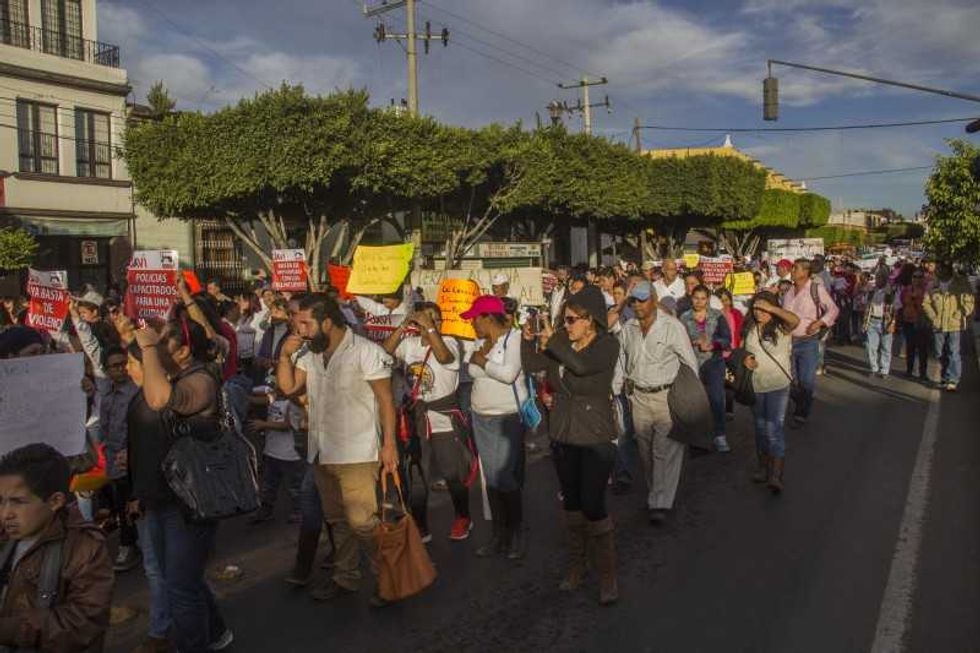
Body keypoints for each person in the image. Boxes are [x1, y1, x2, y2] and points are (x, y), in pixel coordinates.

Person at [276, 294, 399, 605]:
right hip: (322, 450)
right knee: (337, 521)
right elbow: (289, 389)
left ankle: (388, 578)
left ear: (327, 322)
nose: (299, 329)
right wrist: (283, 357)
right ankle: (346, 578)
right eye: (297, 322)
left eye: (306, 322)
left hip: (358, 451)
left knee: (363, 523)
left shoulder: (366, 352)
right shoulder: (310, 353)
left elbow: (386, 401)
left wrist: (389, 445)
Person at [130, 317, 232, 653]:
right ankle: (215, 633)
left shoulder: (201, 379)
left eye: (162, 348)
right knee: (181, 579)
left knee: (180, 586)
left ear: (185, 351)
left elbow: (160, 400)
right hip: (160, 496)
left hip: (190, 501)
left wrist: (146, 347)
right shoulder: (174, 375)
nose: (153, 355)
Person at [520, 286, 619, 604]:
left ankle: (607, 575)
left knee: (593, 503)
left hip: (594, 434)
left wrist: (557, 342)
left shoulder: (607, 344)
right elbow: (533, 365)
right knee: (572, 504)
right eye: (565, 319)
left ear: (591, 321)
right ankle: (577, 564)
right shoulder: (563, 345)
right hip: (562, 432)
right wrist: (526, 339)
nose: (567, 325)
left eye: (573, 319)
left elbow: (581, 368)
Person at [0, 444, 114, 652]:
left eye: (17, 502)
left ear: (55, 501)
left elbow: (82, 623)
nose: (6, 513)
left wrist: (12, 629)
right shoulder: (7, 537)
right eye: (1, 501)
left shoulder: (85, 547)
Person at [384, 303, 472, 542]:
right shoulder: (410, 345)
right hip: (416, 419)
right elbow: (385, 351)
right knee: (417, 475)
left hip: (443, 417)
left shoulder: (450, 342)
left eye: (436, 318)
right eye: (425, 318)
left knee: (452, 473)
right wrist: (403, 325)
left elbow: (445, 357)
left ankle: (463, 516)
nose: (431, 322)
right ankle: (421, 524)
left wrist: (430, 328)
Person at [619, 281, 698, 525]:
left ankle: (660, 502)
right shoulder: (628, 328)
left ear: (654, 300)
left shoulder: (672, 327)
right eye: (634, 300)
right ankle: (656, 492)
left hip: (666, 396)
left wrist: (690, 397)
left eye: (642, 300)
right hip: (638, 397)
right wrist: (614, 391)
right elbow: (621, 361)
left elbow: (689, 361)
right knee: (645, 453)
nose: (638, 305)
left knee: (662, 450)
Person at [461, 295, 528, 559]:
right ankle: (499, 535)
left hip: (506, 416)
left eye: (475, 319)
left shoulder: (514, 339)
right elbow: (473, 371)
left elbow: (509, 373)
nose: (472, 324)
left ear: (488, 318)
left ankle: (517, 533)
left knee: (505, 478)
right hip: (481, 416)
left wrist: (482, 362)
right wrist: (482, 363)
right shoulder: (479, 341)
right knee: (490, 479)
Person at [742, 292, 800, 493]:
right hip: (756, 386)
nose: (760, 313)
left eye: (763, 309)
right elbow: (742, 351)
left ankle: (776, 476)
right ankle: (762, 468)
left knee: (773, 430)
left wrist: (772, 308)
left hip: (778, 387)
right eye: (756, 308)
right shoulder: (749, 328)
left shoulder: (782, 328)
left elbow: (795, 320)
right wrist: (745, 360)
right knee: (759, 429)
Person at [97, 345, 140, 572]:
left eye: (123, 364)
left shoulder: (136, 392)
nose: (121, 370)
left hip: (134, 458)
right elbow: (105, 427)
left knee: (132, 504)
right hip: (114, 459)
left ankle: (129, 544)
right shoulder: (106, 396)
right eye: (115, 366)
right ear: (106, 370)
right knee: (121, 504)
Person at [781, 259, 839, 428]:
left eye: (795, 268)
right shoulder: (789, 291)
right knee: (789, 379)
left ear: (805, 272)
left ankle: (802, 412)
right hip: (789, 341)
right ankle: (802, 400)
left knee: (806, 380)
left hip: (808, 341)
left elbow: (833, 309)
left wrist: (819, 322)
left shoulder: (816, 289)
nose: (792, 270)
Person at [679, 285, 732, 453]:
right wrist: (690, 343)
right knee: (695, 403)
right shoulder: (684, 317)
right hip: (692, 364)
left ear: (708, 299)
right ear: (691, 298)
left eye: (703, 298)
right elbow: (678, 340)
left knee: (716, 399)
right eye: (696, 298)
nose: (699, 302)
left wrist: (713, 344)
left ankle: (720, 435)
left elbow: (727, 339)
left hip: (714, 362)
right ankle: (698, 438)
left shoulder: (717, 316)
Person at [248, 388, 304, 524]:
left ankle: (299, 511)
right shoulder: (274, 397)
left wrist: (264, 424)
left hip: (289, 454)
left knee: (294, 486)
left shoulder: (293, 402)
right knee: (268, 485)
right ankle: (266, 510)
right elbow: (260, 399)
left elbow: (288, 424)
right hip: (272, 451)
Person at [922, 263, 975, 392]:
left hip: (954, 325)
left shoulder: (960, 284)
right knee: (940, 352)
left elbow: (969, 302)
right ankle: (945, 376)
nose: (938, 271)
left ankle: (953, 379)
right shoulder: (933, 285)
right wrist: (933, 317)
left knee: (953, 351)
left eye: (941, 269)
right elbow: (926, 302)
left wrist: (960, 313)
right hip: (938, 325)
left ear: (948, 270)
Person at [863, 271, 899, 378]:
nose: (878, 280)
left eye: (880, 278)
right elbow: (864, 302)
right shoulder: (872, 291)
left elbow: (896, 307)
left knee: (886, 347)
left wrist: (893, 322)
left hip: (885, 321)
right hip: (872, 321)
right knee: (870, 347)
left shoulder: (890, 292)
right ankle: (874, 368)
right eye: (877, 278)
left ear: (885, 279)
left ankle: (884, 370)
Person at [899, 268, 930, 381]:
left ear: (923, 279)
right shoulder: (906, 290)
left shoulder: (927, 291)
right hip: (909, 322)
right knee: (910, 347)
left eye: (919, 277)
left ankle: (923, 373)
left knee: (922, 349)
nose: (916, 279)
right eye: (914, 277)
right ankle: (909, 370)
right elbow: (902, 302)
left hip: (922, 323)